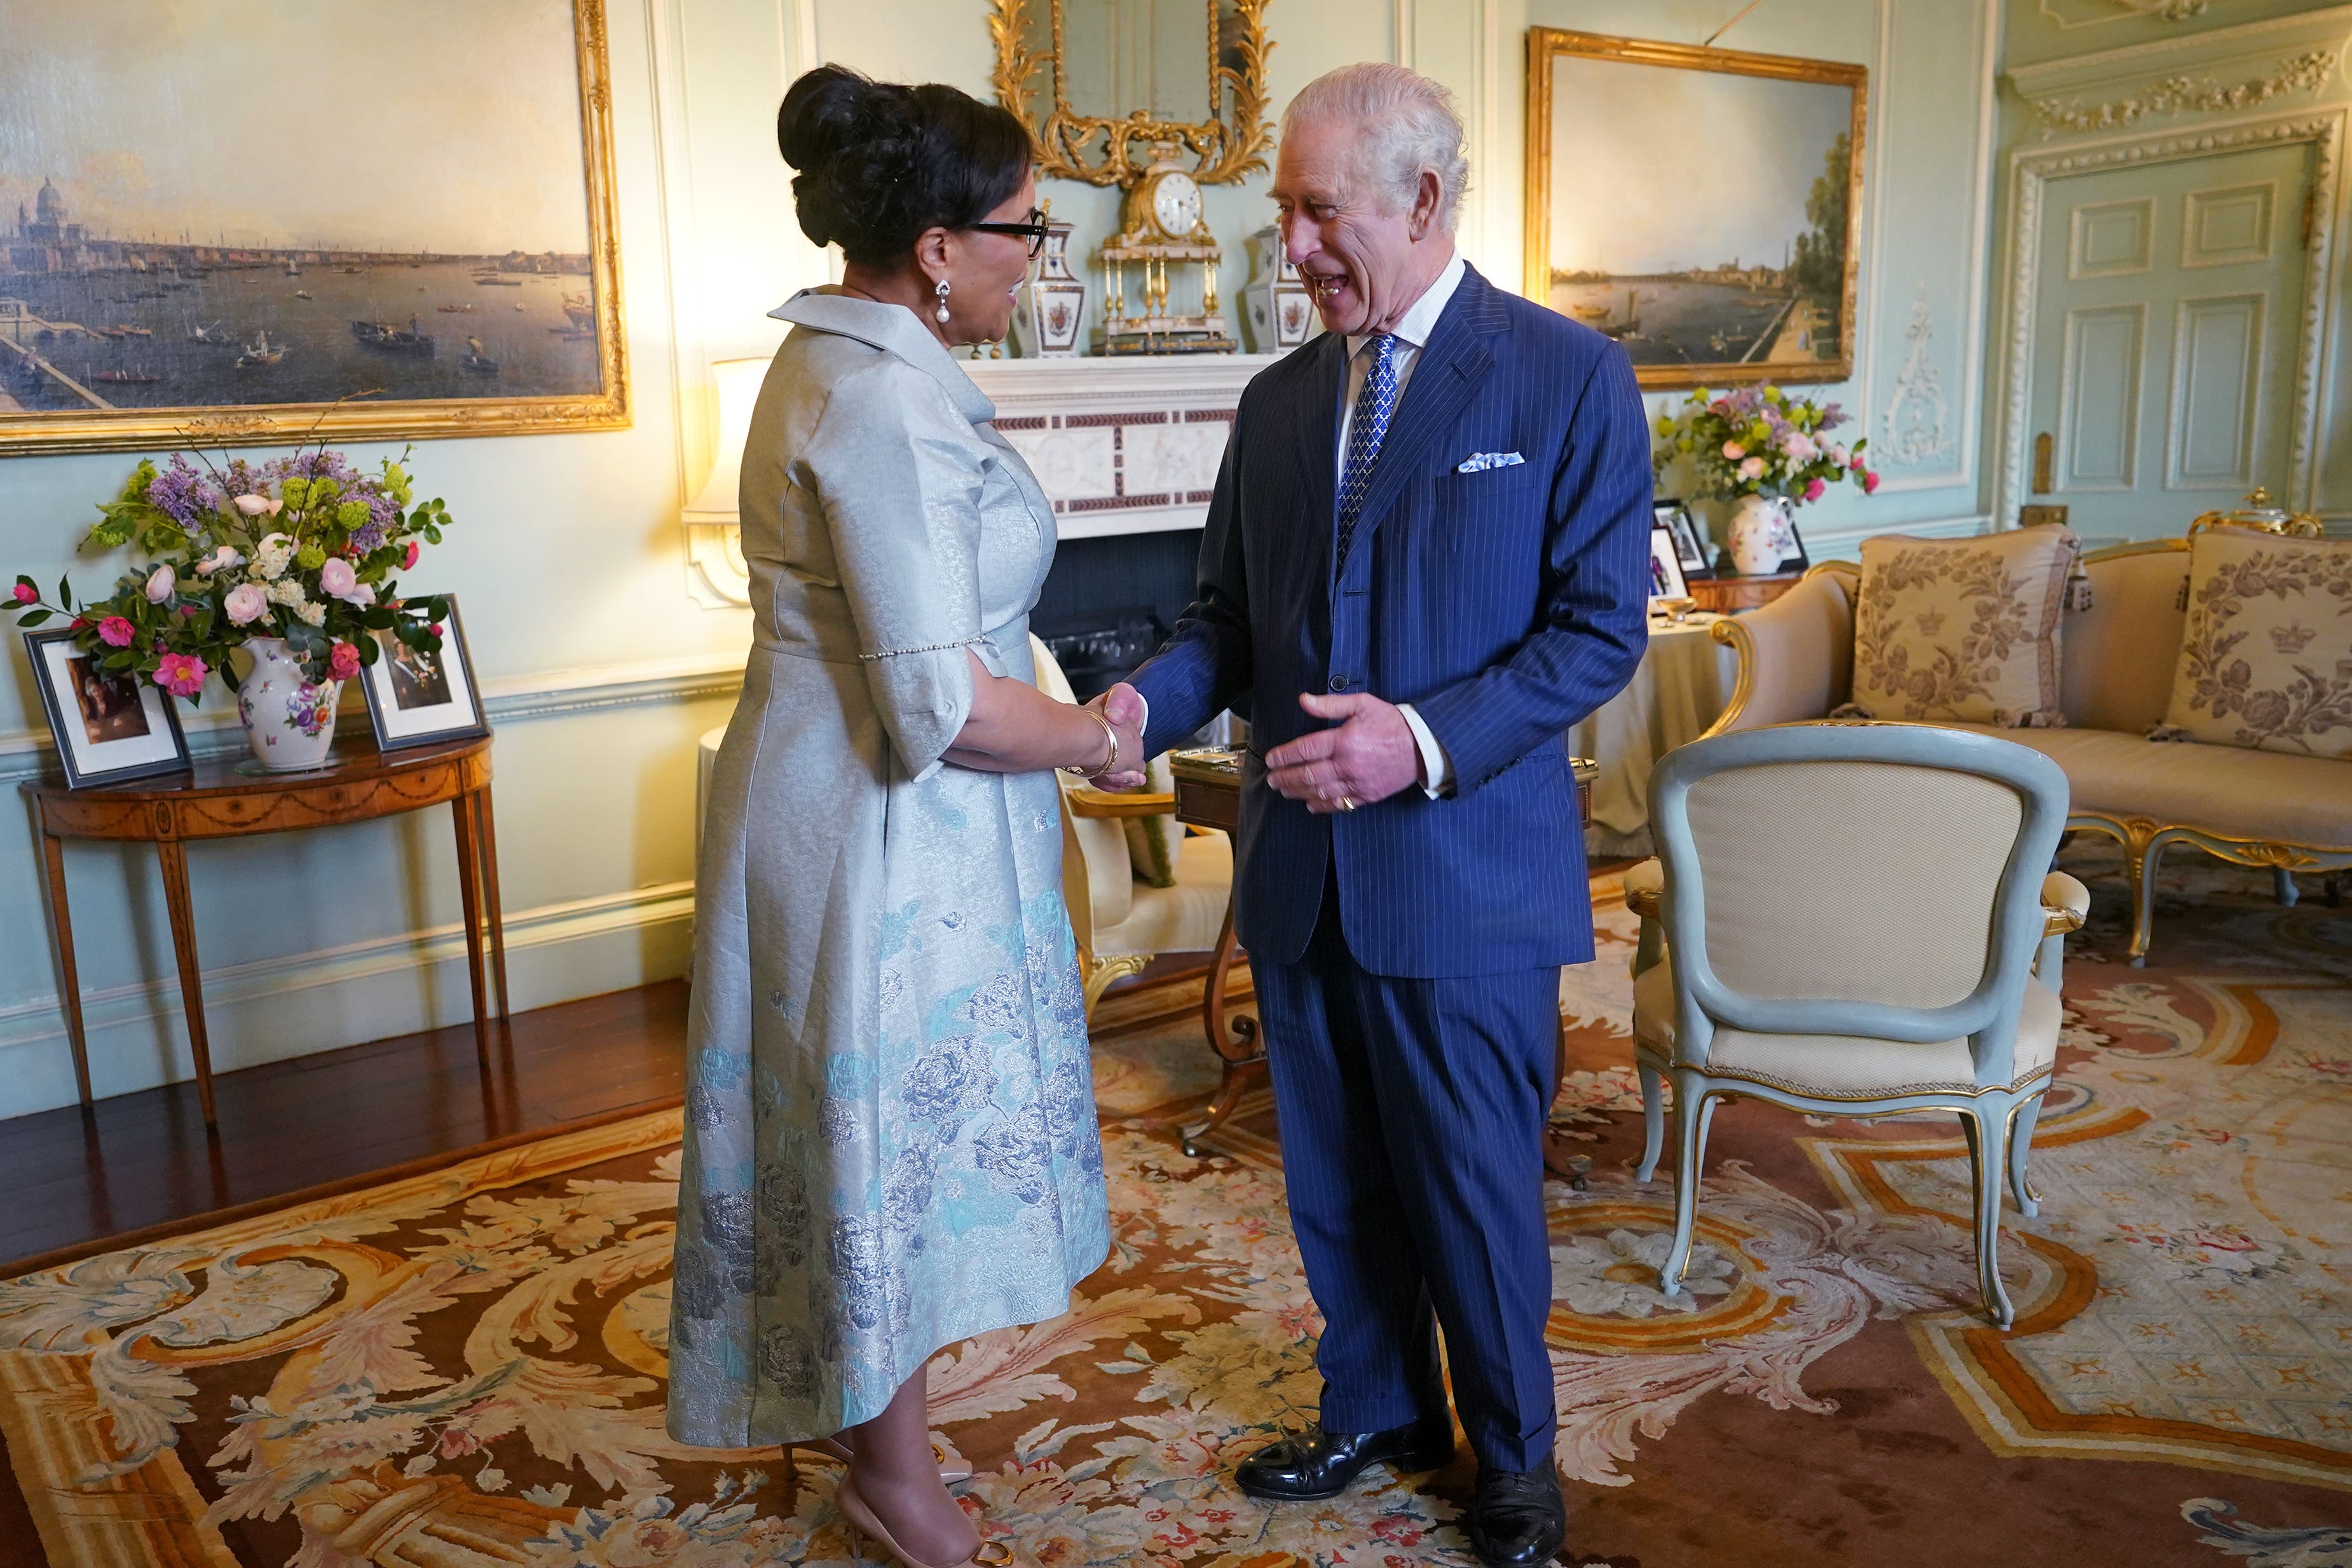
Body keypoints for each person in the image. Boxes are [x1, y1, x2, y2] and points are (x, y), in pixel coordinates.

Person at [1096, 63, 1651, 1568]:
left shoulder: (1564, 376)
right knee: (1333, 1177)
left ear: (1421, 197)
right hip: (1299, 875)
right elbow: (1225, 618)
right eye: (1281, 211)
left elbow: (1597, 633)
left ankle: (1516, 1464)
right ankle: (1379, 1407)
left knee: (1473, 1191)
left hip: (1461, 872)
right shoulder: (1276, 403)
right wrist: (1142, 707)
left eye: (1315, 211)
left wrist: (1416, 741)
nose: (1290, 248)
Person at [668, 65, 1137, 1568]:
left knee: (859, 1131)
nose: (1032, 259)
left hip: (843, 789)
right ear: (938, 246)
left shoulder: (834, 362)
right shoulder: (877, 401)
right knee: (873, 1138)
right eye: (1023, 231)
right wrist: (1095, 736)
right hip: (880, 817)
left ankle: (873, 1426)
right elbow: (943, 707)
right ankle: (889, 1477)